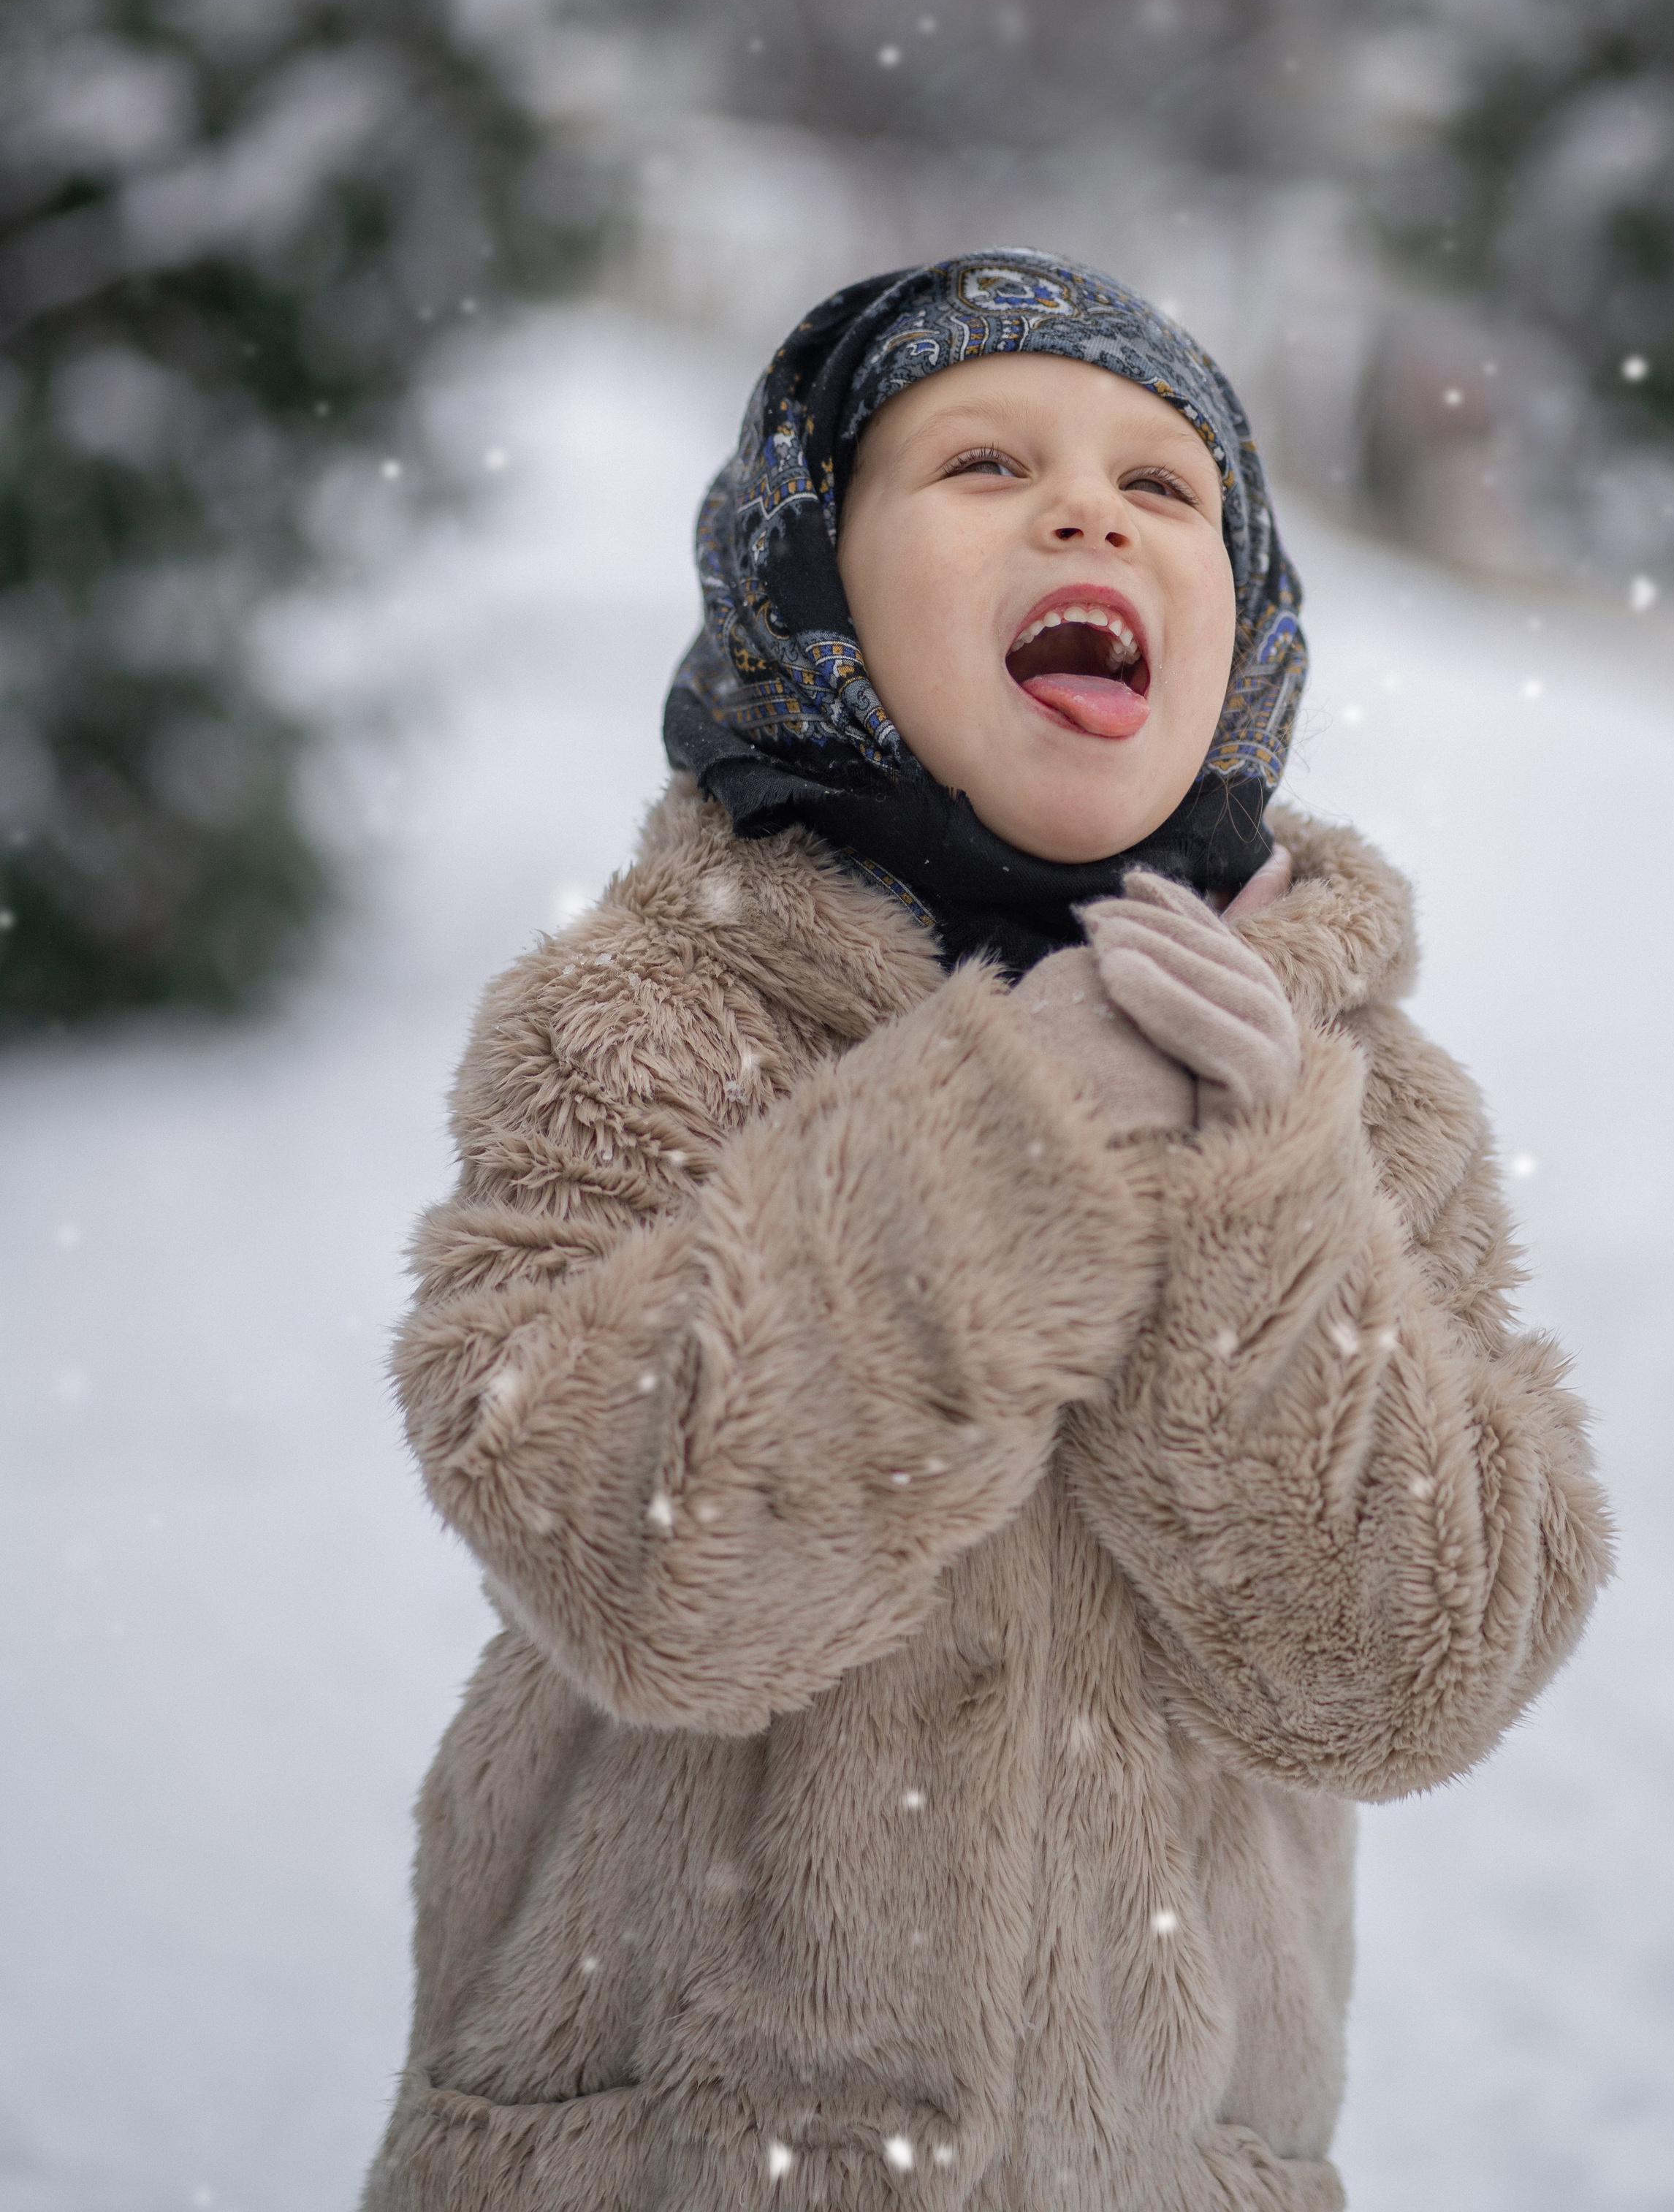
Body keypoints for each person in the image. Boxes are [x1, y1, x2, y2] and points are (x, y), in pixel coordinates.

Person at [362, 251, 1611, 2212]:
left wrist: (1264, 1186)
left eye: (1164, 486)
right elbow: (640, 1567)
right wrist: (1010, 1134)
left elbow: (1402, 1677)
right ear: (812, 586)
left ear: (1245, 626)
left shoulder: (1361, 1103)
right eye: (983, 465)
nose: (1089, 512)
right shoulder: (641, 1019)